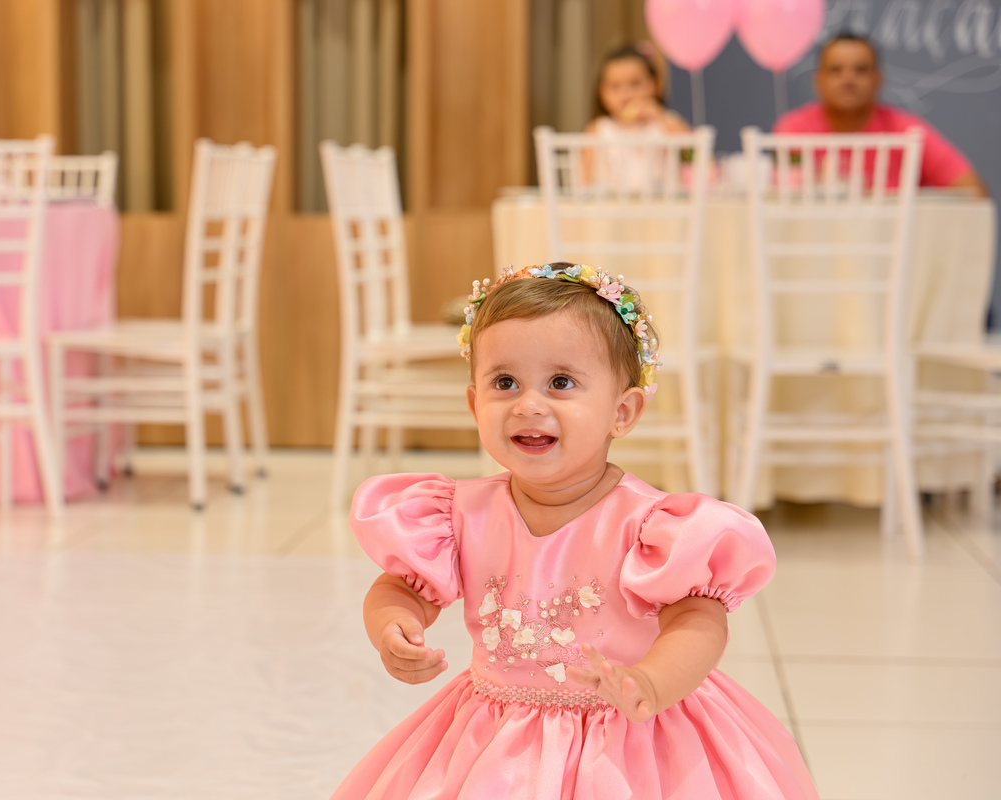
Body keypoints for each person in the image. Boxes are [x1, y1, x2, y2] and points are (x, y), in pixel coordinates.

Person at [331, 264, 818, 799]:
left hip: (631, 738)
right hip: (498, 739)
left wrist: (653, 681)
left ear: (622, 411)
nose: (528, 404)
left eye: (561, 383)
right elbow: (401, 588)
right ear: (474, 404)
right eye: (504, 383)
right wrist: (393, 624)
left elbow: (700, 621)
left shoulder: (651, 529)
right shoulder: (457, 514)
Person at [774, 31, 989, 196]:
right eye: (835, 70)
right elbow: (777, 196)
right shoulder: (793, 130)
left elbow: (974, 192)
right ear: (818, 79)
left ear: (878, 79)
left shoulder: (907, 132)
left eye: (861, 70)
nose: (848, 80)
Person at [581, 45, 691, 188]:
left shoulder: (664, 122)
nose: (626, 94)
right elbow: (584, 175)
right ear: (601, 93)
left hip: (662, 200)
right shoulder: (599, 129)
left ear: (655, 85)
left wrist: (658, 115)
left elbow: (691, 150)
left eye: (635, 84)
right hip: (612, 200)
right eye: (615, 87)